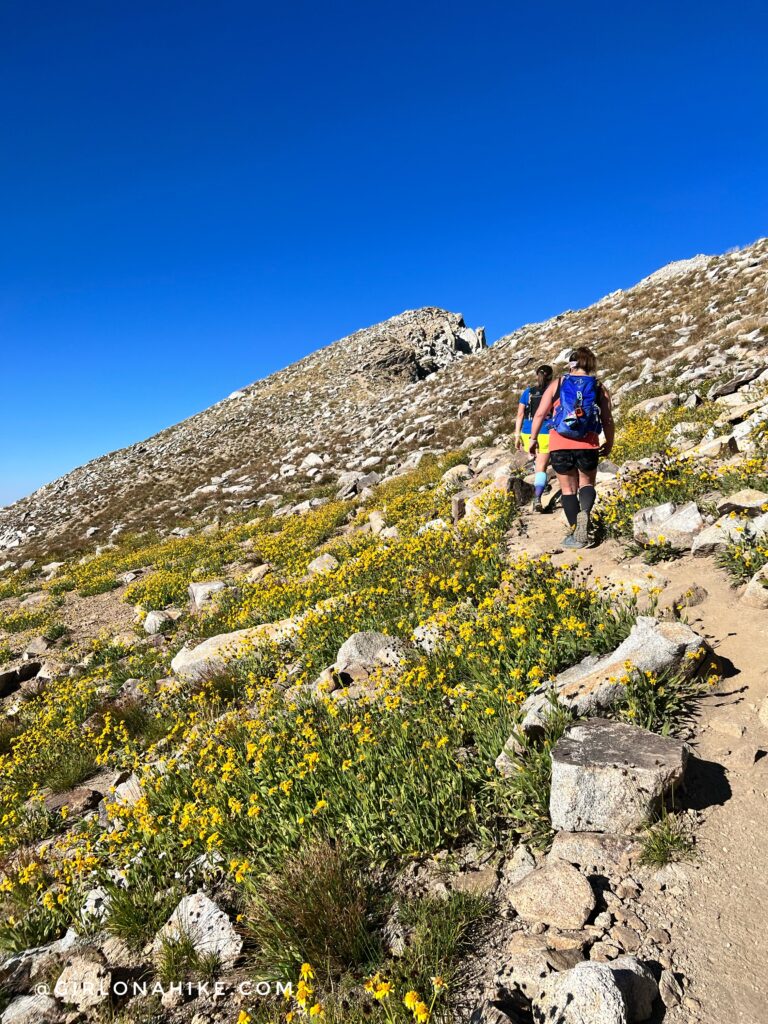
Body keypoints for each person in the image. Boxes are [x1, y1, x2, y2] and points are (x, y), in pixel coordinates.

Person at [527, 347, 614, 548]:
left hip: (559, 443)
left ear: (571, 364)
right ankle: (585, 512)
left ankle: (577, 534)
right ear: (591, 364)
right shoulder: (598, 386)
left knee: (567, 490)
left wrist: (533, 439)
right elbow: (607, 420)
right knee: (586, 485)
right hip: (588, 442)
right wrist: (608, 442)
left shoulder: (559, 383)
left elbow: (540, 414)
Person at [514, 364, 554, 513]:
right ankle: (537, 497)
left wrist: (517, 436)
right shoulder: (554, 392)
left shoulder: (528, 392)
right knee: (542, 467)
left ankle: (539, 482)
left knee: (537, 460)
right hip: (545, 432)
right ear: (551, 377)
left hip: (527, 432)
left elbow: (520, 415)